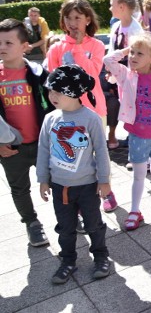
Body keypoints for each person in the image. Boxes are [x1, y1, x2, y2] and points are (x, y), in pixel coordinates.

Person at [37, 64, 111, 284]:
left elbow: (101, 151)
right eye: (50, 91)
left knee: (93, 224)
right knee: (65, 228)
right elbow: (43, 150)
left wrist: (104, 180)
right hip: (60, 187)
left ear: (73, 93)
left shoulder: (91, 119)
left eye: (57, 92)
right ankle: (68, 260)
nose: (52, 96)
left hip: (87, 185)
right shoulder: (50, 119)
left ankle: (100, 256)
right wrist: (43, 180)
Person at [103, 33, 151, 231]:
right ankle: (135, 211)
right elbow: (107, 59)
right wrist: (126, 50)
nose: (133, 57)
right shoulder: (126, 76)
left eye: (140, 53)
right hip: (138, 135)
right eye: (132, 52)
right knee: (139, 176)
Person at [45, 0, 114, 211]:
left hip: (93, 109)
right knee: (73, 155)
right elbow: (52, 79)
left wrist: (78, 48)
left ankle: (107, 191)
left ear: (87, 19)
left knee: (98, 153)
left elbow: (92, 74)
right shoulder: (56, 48)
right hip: (66, 112)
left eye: (77, 17)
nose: (73, 22)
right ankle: (80, 198)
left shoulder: (97, 45)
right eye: (68, 18)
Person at [0, 18, 52, 247]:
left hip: (44, 144)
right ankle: (32, 223)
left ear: (24, 46)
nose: (2, 47)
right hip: (11, 150)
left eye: (8, 43)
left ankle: (73, 214)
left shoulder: (39, 74)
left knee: (61, 182)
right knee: (19, 189)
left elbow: (56, 107)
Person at [106, 0, 145, 149]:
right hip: (120, 78)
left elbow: (139, 55)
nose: (110, 8)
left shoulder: (136, 29)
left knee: (135, 110)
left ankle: (137, 143)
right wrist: (110, 70)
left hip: (132, 78)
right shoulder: (115, 26)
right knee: (127, 108)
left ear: (121, 7)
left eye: (111, 5)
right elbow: (111, 49)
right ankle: (132, 139)